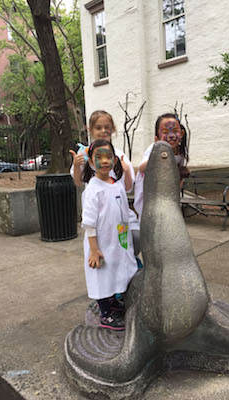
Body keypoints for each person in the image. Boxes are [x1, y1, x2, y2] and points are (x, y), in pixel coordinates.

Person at [81, 139, 138, 330]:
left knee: (115, 271)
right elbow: (88, 223)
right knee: (102, 275)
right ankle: (106, 314)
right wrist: (94, 249)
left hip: (118, 240)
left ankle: (113, 302)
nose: (104, 161)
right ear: (90, 162)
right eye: (99, 157)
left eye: (108, 157)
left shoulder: (117, 184)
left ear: (114, 160)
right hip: (101, 243)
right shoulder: (93, 189)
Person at [69, 110, 140, 256]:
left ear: (113, 128)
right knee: (106, 249)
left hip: (119, 212)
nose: (103, 131)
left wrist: (126, 170)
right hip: (100, 215)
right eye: (98, 127)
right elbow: (78, 182)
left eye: (107, 127)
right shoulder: (85, 155)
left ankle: (129, 264)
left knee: (133, 240)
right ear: (90, 130)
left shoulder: (119, 155)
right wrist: (76, 165)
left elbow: (128, 188)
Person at [134, 113, 190, 220]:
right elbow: (141, 168)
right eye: (165, 132)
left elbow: (179, 175)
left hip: (167, 192)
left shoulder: (181, 152)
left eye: (175, 131)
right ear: (157, 138)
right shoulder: (154, 149)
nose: (171, 135)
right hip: (150, 191)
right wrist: (159, 155)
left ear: (182, 133)